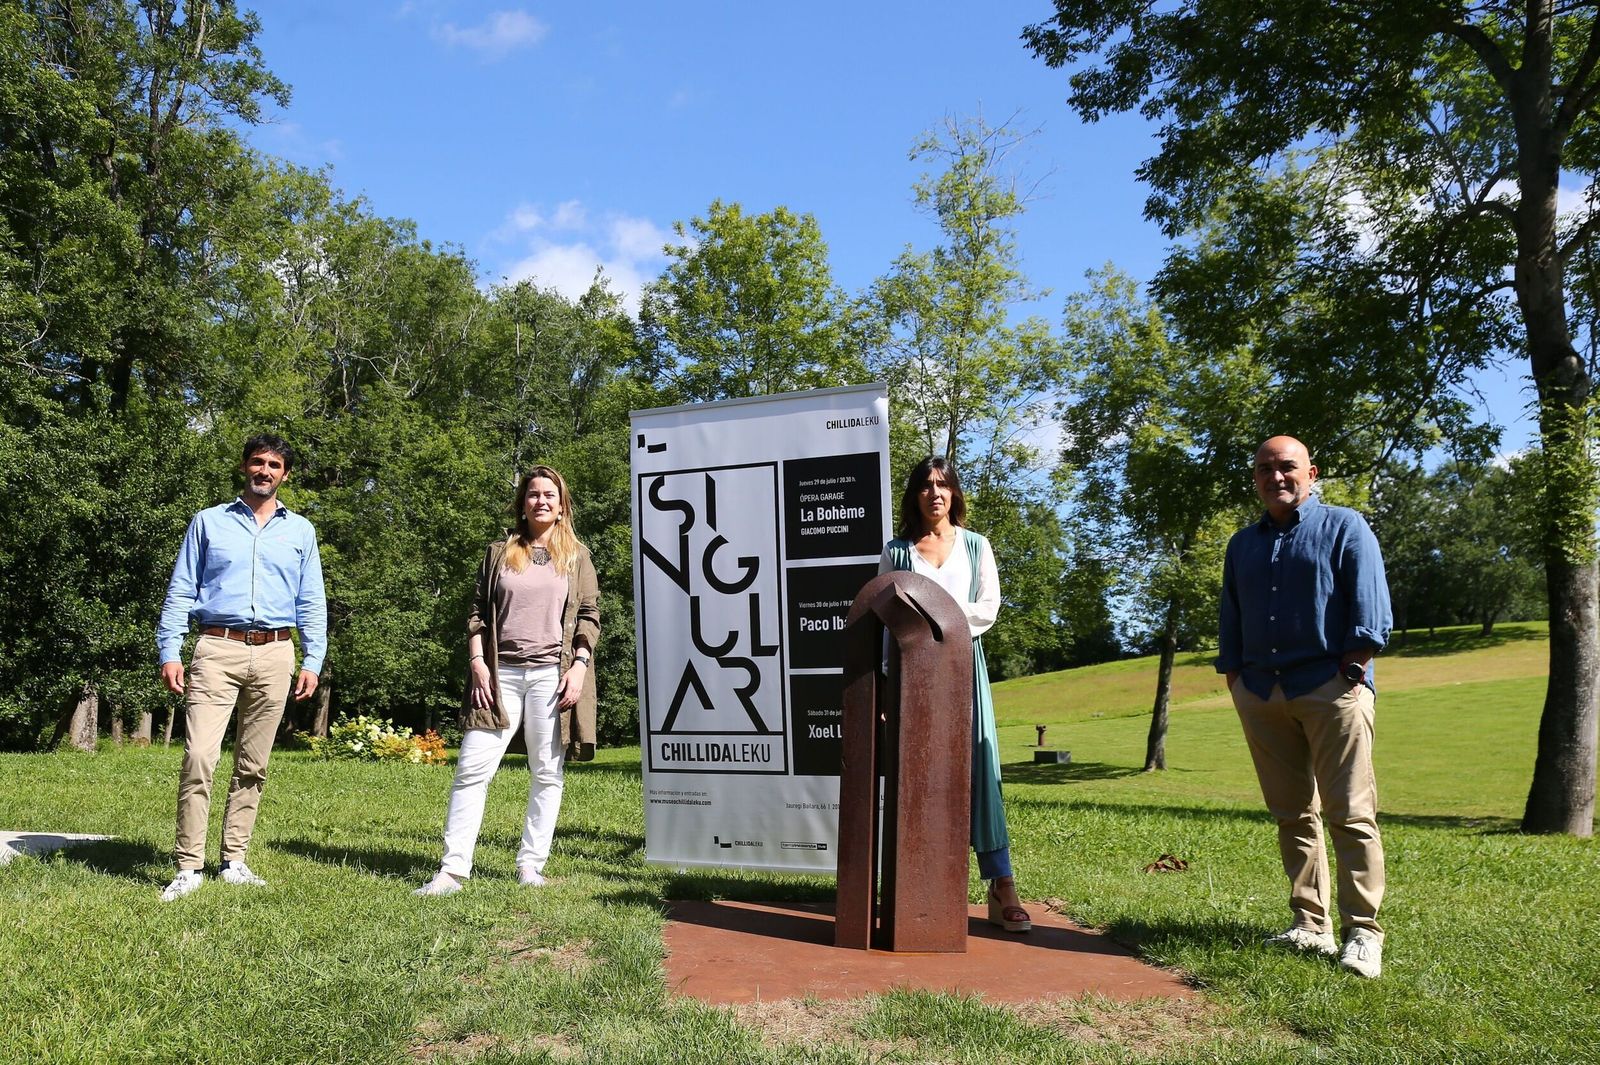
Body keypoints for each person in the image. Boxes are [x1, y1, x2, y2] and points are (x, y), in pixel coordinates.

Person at [1217, 435, 1392, 978]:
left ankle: (1363, 931)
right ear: (1255, 479)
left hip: (1330, 687)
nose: (1276, 477)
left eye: (1287, 467)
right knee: (1292, 813)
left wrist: (1352, 673)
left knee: (1351, 813)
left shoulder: (1345, 526)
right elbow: (1232, 615)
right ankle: (1309, 924)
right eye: (1265, 469)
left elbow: (1370, 608)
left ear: (1310, 472)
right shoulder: (1242, 545)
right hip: (1262, 693)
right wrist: (1236, 679)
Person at [156, 433, 327, 902]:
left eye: (274, 465)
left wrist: (313, 659)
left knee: (253, 764)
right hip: (217, 648)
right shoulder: (208, 522)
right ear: (244, 467)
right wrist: (170, 650)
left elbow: (311, 599)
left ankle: (234, 858)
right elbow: (181, 589)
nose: (265, 471)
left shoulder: (301, 531)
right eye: (258, 462)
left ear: (284, 474)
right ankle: (188, 865)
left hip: (276, 652)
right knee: (199, 758)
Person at [416, 465, 600, 896]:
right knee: (471, 769)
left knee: (547, 773)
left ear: (561, 505)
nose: (541, 501)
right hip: (498, 676)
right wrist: (478, 663)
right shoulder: (499, 552)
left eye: (549, 495)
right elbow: (478, 611)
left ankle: (530, 866)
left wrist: (579, 665)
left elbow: (590, 616)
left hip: (551, 680)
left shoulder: (577, 556)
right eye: (533, 494)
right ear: (523, 504)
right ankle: (452, 871)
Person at [878, 455, 1029, 933]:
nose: (935, 493)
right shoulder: (896, 551)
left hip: (964, 668)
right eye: (925, 486)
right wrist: (885, 684)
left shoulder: (977, 546)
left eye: (943, 485)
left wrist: (936, 624)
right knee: (917, 774)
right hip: (909, 674)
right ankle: (915, 887)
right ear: (914, 495)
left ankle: (1001, 884)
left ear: (955, 494)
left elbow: (988, 608)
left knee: (980, 773)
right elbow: (885, 626)